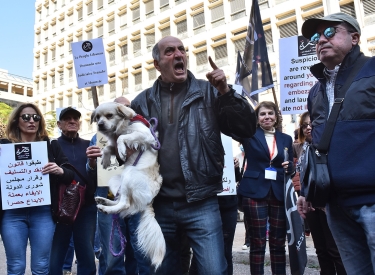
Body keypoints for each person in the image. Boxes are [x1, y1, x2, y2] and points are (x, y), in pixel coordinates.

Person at [130, 36, 256, 274]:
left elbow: (246, 129)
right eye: (170, 51)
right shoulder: (142, 102)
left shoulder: (210, 92)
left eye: (182, 50)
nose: (179, 54)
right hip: (159, 205)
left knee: (213, 269)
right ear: (157, 64)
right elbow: (126, 152)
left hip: (202, 202)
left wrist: (226, 92)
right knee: (165, 270)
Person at [297, 12, 375, 274]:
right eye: (316, 37)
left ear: (354, 37)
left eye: (330, 32)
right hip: (336, 206)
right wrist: (308, 190)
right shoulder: (314, 92)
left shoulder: (373, 71)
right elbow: (319, 147)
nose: (321, 40)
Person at [0, 103, 74, 274]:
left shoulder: (51, 146)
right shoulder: (3, 146)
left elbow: (70, 174)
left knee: (41, 266)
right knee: (15, 265)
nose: (31, 121)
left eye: (36, 117)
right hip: (12, 214)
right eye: (26, 117)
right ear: (16, 121)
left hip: (43, 213)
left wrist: (59, 170)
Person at [86, 96, 151, 275]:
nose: (123, 111)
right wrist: (91, 163)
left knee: (140, 254)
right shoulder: (97, 138)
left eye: (126, 108)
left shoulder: (142, 132)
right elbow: (91, 171)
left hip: (137, 201)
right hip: (109, 200)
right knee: (112, 256)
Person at [237, 101, 293, 275]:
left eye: (270, 113)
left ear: (276, 116)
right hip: (254, 192)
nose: (267, 116)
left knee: (278, 243)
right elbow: (231, 126)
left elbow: (290, 165)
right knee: (257, 242)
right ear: (257, 118)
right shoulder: (249, 135)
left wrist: (290, 167)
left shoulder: (286, 139)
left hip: (278, 192)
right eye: (262, 114)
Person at [295, 112, 346, 275]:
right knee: (321, 250)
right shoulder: (302, 149)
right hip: (310, 203)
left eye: (312, 124)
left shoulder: (329, 145)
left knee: (335, 250)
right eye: (305, 125)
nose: (308, 128)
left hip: (328, 204)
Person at [49, 107, 97, 275]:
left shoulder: (89, 144)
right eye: (67, 118)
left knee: (86, 252)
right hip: (62, 207)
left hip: (87, 206)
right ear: (59, 124)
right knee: (57, 253)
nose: (72, 121)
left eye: (75, 118)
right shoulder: (51, 146)